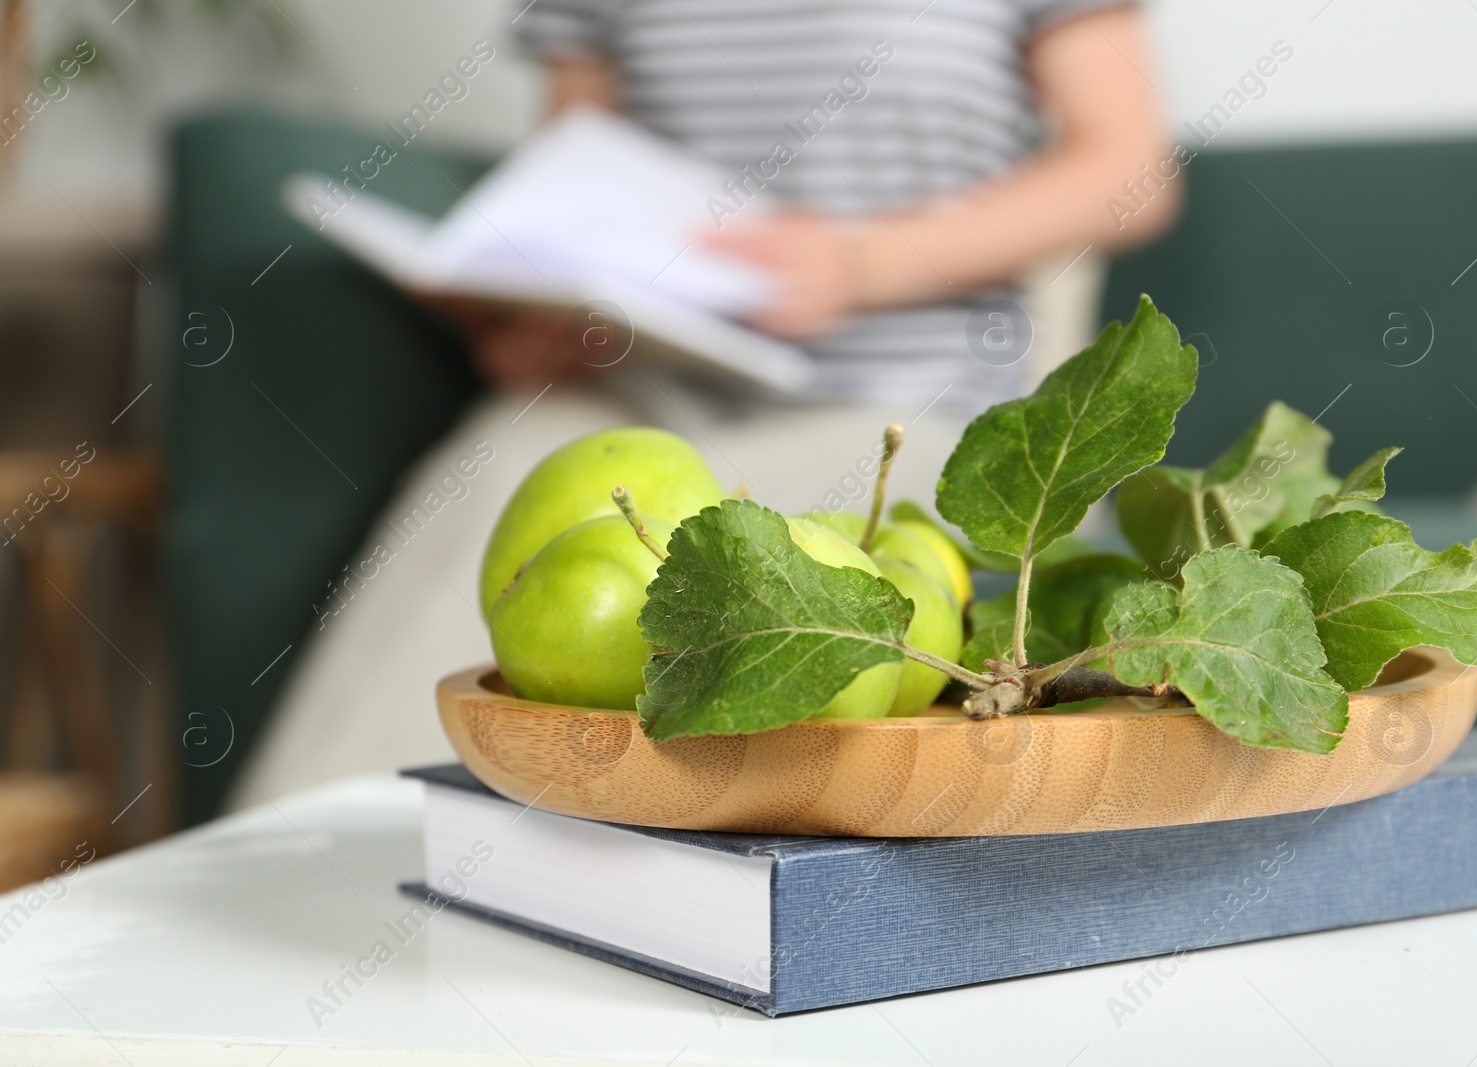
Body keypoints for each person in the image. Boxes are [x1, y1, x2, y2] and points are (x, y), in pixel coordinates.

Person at [231, 0, 1179, 806]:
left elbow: (1128, 170)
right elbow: (575, 169)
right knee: (491, 472)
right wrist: (542, 307)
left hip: (908, 402)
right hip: (646, 390)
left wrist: (862, 262)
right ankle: (298, 862)